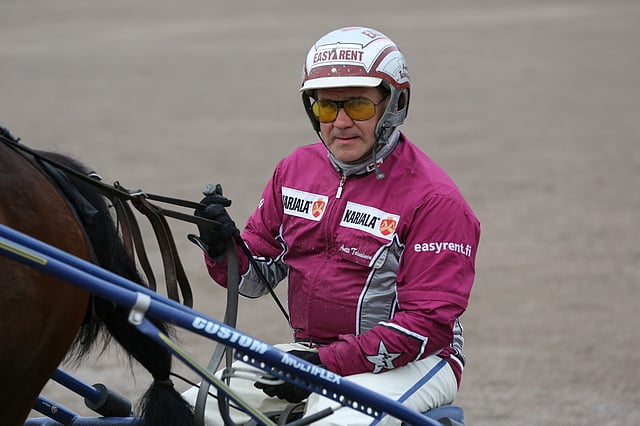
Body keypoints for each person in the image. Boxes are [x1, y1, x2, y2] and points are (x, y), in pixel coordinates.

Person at [183, 26, 480, 425]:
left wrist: (325, 366)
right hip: (311, 355)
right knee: (186, 412)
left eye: (357, 106)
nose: (340, 122)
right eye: (326, 108)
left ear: (395, 104)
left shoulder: (435, 200)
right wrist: (222, 247)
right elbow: (254, 281)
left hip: (416, 362)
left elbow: (426, 327)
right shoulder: (294, 170)